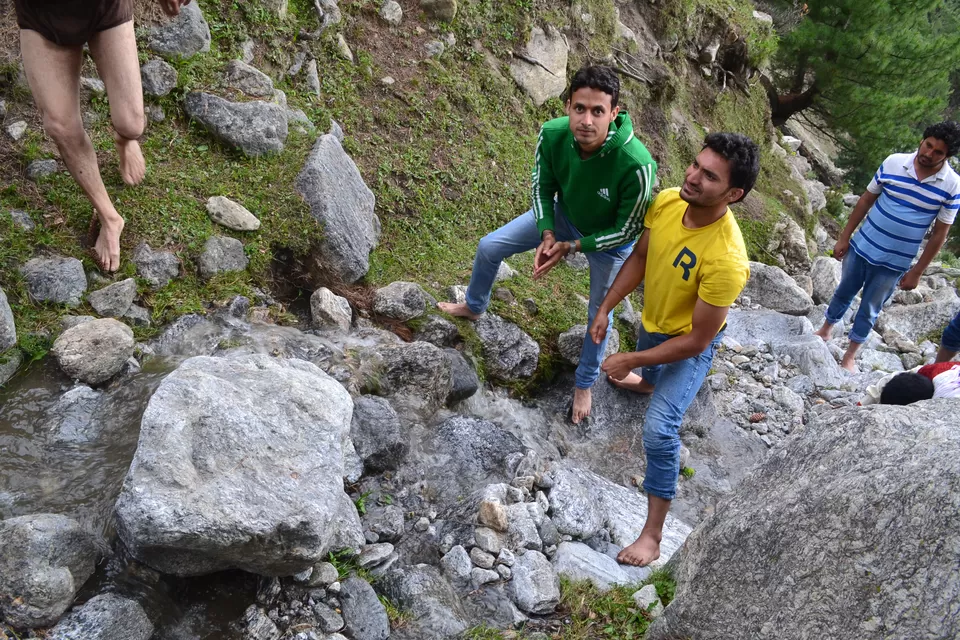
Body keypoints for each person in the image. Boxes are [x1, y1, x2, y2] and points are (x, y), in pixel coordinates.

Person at [438, 66, 657, 424]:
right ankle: (474, 306)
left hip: (610, 245)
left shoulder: (636, 164)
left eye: (598, 111)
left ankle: (584, 383)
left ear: (614, 113)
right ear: (568, 105)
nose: (586, 120)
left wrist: (572, 247)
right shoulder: (552, 133)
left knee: (599, 314)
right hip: (564, 215)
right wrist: (548, 234)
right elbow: (542, 188)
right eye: (579, 108)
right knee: (489, 247)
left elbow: (626, 230)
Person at [588, 132, 759, 567]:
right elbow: (641, 258)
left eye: (710, 176)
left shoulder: (727, 259)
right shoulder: (667, 201)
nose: (693, 177)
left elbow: (697, 340)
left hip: (690, 342)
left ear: (734, 194)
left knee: (659, 430)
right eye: (696, 165)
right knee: (649, 370)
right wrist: (606, 307)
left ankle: (652, 535)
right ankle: (648, 381)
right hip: (655, 320)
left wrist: (630, 358)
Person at [12, 0, 191, 272]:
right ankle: (110, 219)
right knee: (61, 126)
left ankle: (124, 138)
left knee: (132, 124)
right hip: (42, 15)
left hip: (104, 7)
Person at [814, 122, 960, 371]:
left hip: (895, 261)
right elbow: (865, 200)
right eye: (928, 145)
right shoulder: (894, 162)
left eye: (938, 152)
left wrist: (917, 271)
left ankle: (850, 356)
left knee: (870, 308)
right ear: (922, 141)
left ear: (946, 156)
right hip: (862, 246)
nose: (929, 153)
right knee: (844, 291)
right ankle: (825, 330)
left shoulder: (952, 185)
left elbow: (940, 233)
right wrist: (844, 237)